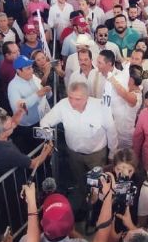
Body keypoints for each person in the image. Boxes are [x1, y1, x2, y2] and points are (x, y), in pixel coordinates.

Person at [40, 82, 118, 210]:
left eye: (77, 99)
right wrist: (48, 140)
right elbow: (45, 122)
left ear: (87, 97)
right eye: (70, 97)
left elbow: (111, 130)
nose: (72, 102)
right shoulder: (63, 105)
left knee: (99, 185)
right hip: (74, 155)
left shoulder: (101, 107)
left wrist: (112, 153)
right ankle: (83, 205)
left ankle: (98, 210)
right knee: (80, 181)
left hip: (96, 156)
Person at [8, 55, 52, 153]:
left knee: (47, 144)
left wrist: (47, 92)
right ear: (19, 71)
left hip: (43, 120)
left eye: (31, 67)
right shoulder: (13, 87)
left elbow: (43, 92)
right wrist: (37, 95)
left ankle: (48, 158)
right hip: (30, 127)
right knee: (36, 149)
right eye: (28, 68)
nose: (32, 70)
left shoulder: (33, 77)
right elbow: (18, 108)